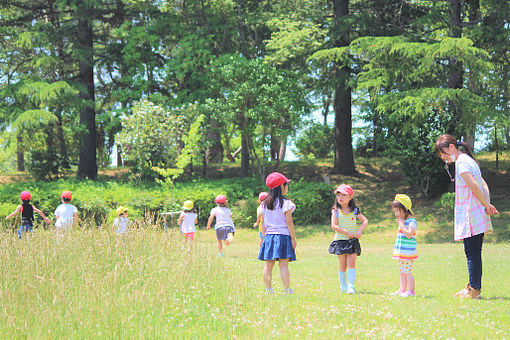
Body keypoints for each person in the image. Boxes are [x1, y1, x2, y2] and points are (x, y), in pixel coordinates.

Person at [435, 134, 499, 299]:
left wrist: (486, 205)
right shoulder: (470, 160)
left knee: (472, 253)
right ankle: (472, 287)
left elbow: (474, 186)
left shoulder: (462, 163)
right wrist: (487, 204)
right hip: (477, 213)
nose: (444, 158)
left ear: (451, 147)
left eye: (444, 153)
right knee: (474, 252)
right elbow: (483, 184)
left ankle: (474, 290)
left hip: (471, 216)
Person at [258, 172, 297, 295]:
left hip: (269, 237)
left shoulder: (264, 204)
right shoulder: (286, 203)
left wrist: (264, 239)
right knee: (284, 265)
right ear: (281, 187)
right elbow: (289, 222)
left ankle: (268, 290)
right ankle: (286, 289)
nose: (287, 187)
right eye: (286, 185)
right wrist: (293, 239)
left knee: (268, 265)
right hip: (284, 237)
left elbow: (262, 224)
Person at [328, 184, 368, 294]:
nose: (340, 198)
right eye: (339, 195)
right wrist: (346, 232)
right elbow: (334, 226)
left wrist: (359, 231)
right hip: (340, 241)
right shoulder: (335, 210)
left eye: (344, 195)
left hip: (352, 241)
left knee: (352, 263)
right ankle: (343, 286)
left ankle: (351, 286)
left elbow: (365, 221)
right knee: (342, 265)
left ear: (350, 197)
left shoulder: (355, 210)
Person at [390, 194, 418, 297]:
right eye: (395, 211)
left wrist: (401, 225)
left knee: (408, 272)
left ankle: (411, 291)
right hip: (401, 252)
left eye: (398, 211)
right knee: (402, 272)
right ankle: (402, 290)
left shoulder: (411, 221)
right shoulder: (403, 221)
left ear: (406, 209)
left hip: (408, 252)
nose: (396, 214)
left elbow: (409, 235)